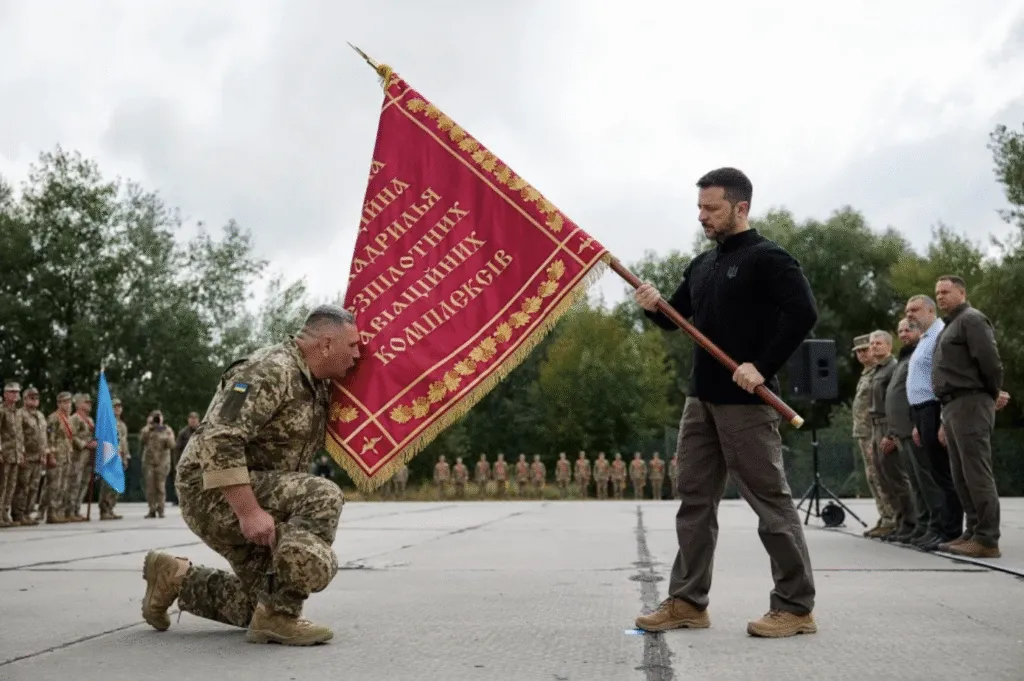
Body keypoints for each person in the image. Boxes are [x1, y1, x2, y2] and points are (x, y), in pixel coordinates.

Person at [633, 167, 819, 638]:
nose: (702, 217)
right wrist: (652, 304)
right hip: (701, 401)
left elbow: (803, 312)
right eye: (699, 207)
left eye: (711, 208)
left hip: (746, 402)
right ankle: (688, 602)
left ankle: (796, 607)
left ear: (741, 207)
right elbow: (672, 318)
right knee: (694, 499)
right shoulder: (702, 265)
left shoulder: (769, 258)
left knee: (770, 502)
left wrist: (761, 363)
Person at [140, 304, 360, 646]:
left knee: (254, 603)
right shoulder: (269, 370)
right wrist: (248, 511)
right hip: (212, 492)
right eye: (353, 346)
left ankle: (175, 577)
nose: (358, 354)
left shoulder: (316, 382)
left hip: (258, 488)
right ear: (326, 344)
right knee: (323, 495)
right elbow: (220, 438)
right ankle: (278, 617)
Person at [930, 275, 1010, 558]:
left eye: (946, 292)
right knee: (961, 473)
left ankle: (988, 538)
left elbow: (990, 361)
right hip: (953, 405)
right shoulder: (951, 325)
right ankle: (973, 531)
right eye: (937, 293)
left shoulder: (972, 320)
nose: (940, 297)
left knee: (976, 472)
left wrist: (989, 393)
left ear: (961, 293)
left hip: (971, 402)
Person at [904, 294, 962, 550]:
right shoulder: (925, 339)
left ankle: (950, 531)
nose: (909, 314)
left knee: (943, 473)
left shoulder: (940, 335)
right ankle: (938, 528)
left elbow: (943, 378)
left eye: (914, 309)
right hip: (921, 412)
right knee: (934, 474)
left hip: (934, 408)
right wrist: (917, 423)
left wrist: (942, 420)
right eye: (907, 310)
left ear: (930, 310)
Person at [881, 319, 932, 544]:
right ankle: (920, 526)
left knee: (925, 480)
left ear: (920, 330)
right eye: (900, 330)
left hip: (913, 428)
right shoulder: (906, 356)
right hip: (900, 431)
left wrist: (915, 425)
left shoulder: (919, 356)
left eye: (908, 329)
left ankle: (932, 525)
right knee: (915, 481)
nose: (903, 334)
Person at [866, 330, 915, 542]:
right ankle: (898, 521)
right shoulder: (876, 370)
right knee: (883, 478)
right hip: (875, 427)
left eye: (878, 343)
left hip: (888, 425)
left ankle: (910, 523)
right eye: (872, 344)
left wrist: (890, 434)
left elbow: (894, 403)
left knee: (897, 478)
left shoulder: (892, 368)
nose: (874, 347)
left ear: (889, 346)